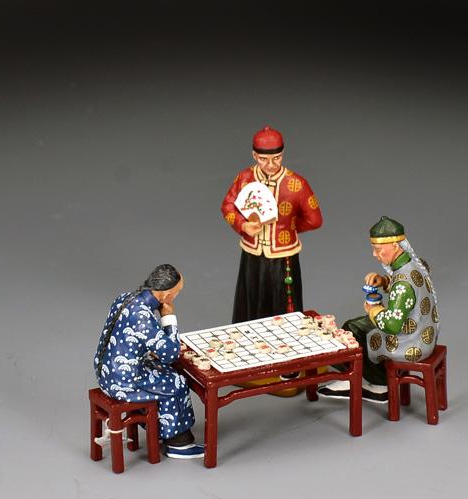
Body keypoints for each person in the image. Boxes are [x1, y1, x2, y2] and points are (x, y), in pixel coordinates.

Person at [318, 216, 440, 403]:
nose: (375, 254)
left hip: (410, 342)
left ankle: (378, 384)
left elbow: (391, 325)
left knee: (352, 331)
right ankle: (364, 377)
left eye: (378, 249)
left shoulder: (403, 284)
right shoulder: (416, 264)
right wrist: (384, 281)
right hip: (426, 331)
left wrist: (374, 309)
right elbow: (409, 284)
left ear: (395, 246)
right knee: (355, 326)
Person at [93, 264, 204, 459]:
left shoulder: (126, 297)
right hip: (122, 381)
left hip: (105, 370)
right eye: (177, 293)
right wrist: (168, 318)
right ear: (166, 295)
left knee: (164, 371)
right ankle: (178, 443)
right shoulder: (142, 315)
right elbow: (171, 354)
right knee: (177, 382)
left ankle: (159, 426)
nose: (176, 297)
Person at [220, 126, 323, 323]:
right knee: (250, 302)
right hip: (252, 252)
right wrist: (243, 225)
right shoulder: (245, 178)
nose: (270, 164)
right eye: (263, 159)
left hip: (283, 255)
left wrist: (289, 227)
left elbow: (315, 219)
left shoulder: (297, 183)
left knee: (283, 306)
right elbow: (227, 205)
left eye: (276, 158)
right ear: (254, 155)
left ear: (282, 154)